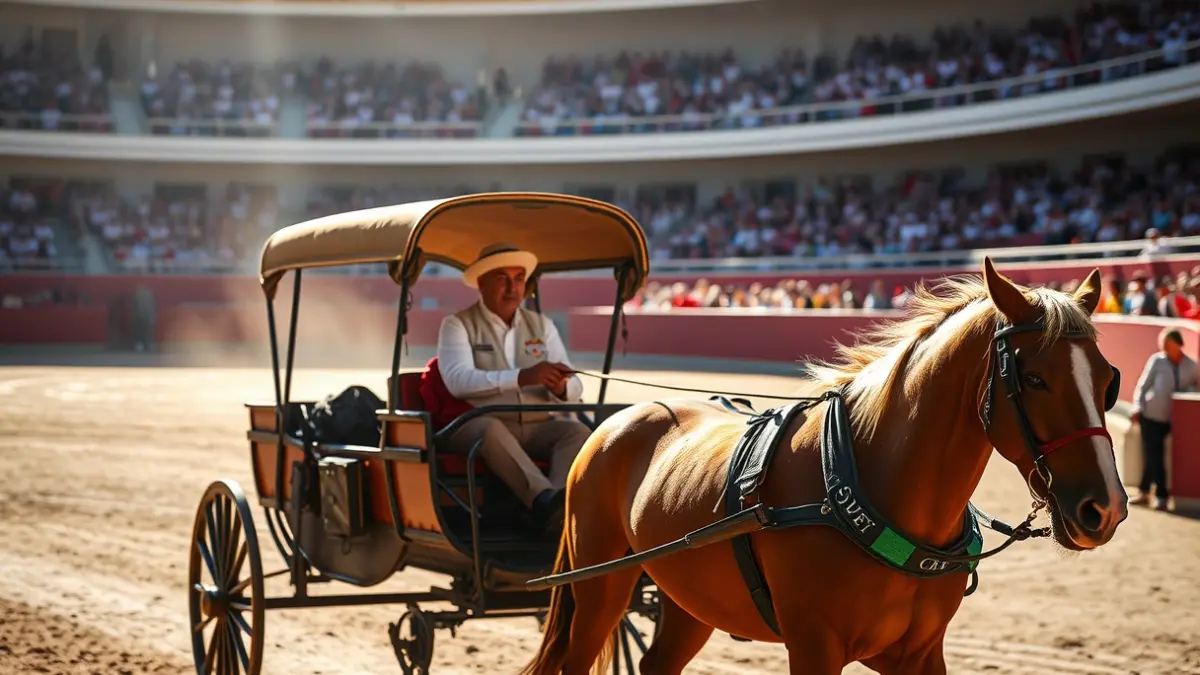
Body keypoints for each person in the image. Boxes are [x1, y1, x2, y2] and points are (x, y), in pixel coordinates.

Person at [435, 242, 591, 536]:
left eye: (519, 279)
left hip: (535, 424)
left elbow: (575, 384)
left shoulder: (541, 325)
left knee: (577, 433)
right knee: (489, 428)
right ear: (481, 284)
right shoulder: (457, 324)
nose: (512, 288)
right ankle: (542, 501)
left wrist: (562, 387)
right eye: (502, 279)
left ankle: (557, 508)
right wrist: (522, 377)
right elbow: (458, 381)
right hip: (473, 423)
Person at [1130, 328, 1198, 510]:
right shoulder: (1157, 361)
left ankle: (1144, 492)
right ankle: (1161, 495)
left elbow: (1196, 387)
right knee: (1154, 454)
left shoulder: (1191, 365)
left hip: (1174, 419)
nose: (1165, 347)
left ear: (1178, 345)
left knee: (1153, 454)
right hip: (1151, 414)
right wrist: (1137, 406)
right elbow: (1143, 385)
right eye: (1163, 344)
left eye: (1168, 344)